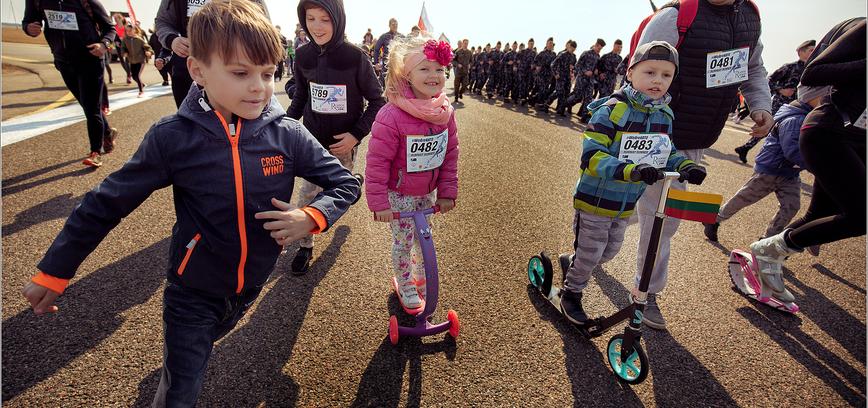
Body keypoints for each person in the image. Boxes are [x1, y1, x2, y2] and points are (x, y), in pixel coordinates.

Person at [21, 1, 360, 405]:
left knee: (198, 351)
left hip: (250, 285)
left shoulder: (287, 135)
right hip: (193, 291)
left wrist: (312, 216)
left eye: (268, 74)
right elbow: (104, 204)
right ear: (198, 70)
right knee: (182, 388)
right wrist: (54, 271)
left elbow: (345, 183)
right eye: (240, 73)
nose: (259, 87)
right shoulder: (172, 137)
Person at [630, 0, 772, 330]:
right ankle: (620, 272)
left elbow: (753, 68)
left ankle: (641, 287)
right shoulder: (676, 16)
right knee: (650, 212)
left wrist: (761, 105)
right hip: (655, 134)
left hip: (695, 138)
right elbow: (638, 71)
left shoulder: (749, 18)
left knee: (660, 216)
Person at [558, 41, 706, 324]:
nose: (658, 80)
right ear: (630, 72)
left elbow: (666, 151)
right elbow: (592, 156)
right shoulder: (613, 109)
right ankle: (571, 293)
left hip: (625, 204)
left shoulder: (664, 114)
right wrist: (630, 171)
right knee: (590, 254)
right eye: (650, 72)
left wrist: (686, 166)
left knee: (609, 252)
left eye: (666, 75)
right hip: (596, 199)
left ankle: (573, 263)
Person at [749, 18, 865, 304]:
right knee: (862, 215)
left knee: (818, 216)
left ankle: (767, 257)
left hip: (860, 139)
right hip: (828, 131)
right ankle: (768, 251)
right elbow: (814, 73)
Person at [287, 0, 386, 275]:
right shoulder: (303, 55)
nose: (316, 27)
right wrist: (282, 125)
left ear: (338, 19)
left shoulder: (355, 57)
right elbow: (301, 97)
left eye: (324, 19)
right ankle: (305, 246)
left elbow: (378, 101)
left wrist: (355, 135)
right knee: (306, 198)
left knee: (339, 196)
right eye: (310, 19)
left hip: (343, 144)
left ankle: (351, 183)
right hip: (312, 142)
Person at [365, 35, 459, 310]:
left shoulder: (444, 112)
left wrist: (447, 193)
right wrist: (380, 204)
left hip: (425, 193)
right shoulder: (391, 115)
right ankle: (404, 280)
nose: (434, 75)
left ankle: (421, 276)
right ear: (407, 74)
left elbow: (450, 154)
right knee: (404, 240)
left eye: (439, 70)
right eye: (424, 68)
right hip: (399, 195)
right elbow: (377, 163)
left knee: (423, 238)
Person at [704, 98, 815, 244]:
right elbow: (792, 151)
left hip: (789, 173)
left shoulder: (808, 116)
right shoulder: (795, 119)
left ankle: (767, 240)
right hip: (771, 170)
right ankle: (715, 219)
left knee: (791, 205)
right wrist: (816, 165)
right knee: (744, 198)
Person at [22, 0, 119, 168]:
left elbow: (110, 28)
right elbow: (28, 21)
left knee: (91, 107)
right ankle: (108, 132)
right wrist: (29, 29)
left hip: (91, 59)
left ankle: (95, 152)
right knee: (87, 104)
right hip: (64, 61)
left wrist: (103, 45)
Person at [156, 0, 270, 108]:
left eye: (268, 75)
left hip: (244, 62)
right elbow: (163, 21)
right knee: (193, 123)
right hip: (188, 68)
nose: (259, 88)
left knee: (249, 119)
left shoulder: (280, 127)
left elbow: (265, 25)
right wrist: (172, 39)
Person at [733, 39, 816, 164]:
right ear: (801, 52)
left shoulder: (812, 70)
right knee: (770, 128)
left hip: (799, 108)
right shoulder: (789, 67)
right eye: (811, 50)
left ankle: (751, 151)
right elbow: (769, 81)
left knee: (790, 134)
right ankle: (752, 152)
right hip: (780, 103)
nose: (814, 52)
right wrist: (781, 90)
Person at [565, 38, 605, 121]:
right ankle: (565, 104)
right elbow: (577, 66)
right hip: (581, 79)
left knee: (588, 98)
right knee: (577, 96)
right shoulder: (586, 53)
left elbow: (596, 67)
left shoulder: (598, 56)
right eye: (599, 48)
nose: (599, 50)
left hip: (590, 81)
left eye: (601, 49)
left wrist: (596, 71)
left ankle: (584, 117)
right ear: (596, 45)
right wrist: (585, 72)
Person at [540, 40, 576, 115]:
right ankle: (546, 105)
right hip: (560, 77)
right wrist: (556, 74)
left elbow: (574, 67)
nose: (572, 50)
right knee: (558, 92)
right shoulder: (563, 54)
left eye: (574, 49)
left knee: (566, 94)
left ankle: (561, 110)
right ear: (569, 47)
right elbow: (553, 64)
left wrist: (572, 69)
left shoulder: (573, 57)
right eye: (571, 48)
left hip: (567, 78)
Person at [122, 24, 153, 97]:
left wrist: (149, 52)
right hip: (132, 61)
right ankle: (142, 84)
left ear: (135, 30)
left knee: (137, 75)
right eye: (127, 31)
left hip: (140, 60)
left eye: (130, 30)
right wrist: (124, 52)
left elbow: (148, 47)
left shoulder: (139, 40)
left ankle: (141, 91)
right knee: (133, 76)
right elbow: (123, 48)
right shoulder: (125, 40)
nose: (128, 32)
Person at [528, 37, 556, 106]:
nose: (550, 45)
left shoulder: (554, 54)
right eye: (549, 43)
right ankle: (539, 103)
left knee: (544, 89)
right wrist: (537, 66)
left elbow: (555, 64)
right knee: (542, 89)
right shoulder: (542, 53)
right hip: (541, 74)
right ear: (546, 44)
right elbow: (535, 61)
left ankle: (531, 100)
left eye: (551, 44)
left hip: (549, 75)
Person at [514, 38, 537, 105]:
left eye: (532, 44)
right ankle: (517, 98)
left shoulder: (534, 53)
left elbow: (536, 61)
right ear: (528, 43)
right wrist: (515, 65)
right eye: (530, 44)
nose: (531, 45)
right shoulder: (523, 51)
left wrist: (534, 66)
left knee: (526, 85)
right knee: (520, 84)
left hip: (529, 72)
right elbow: (516, 58)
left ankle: (523, 98)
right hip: (521, 70)